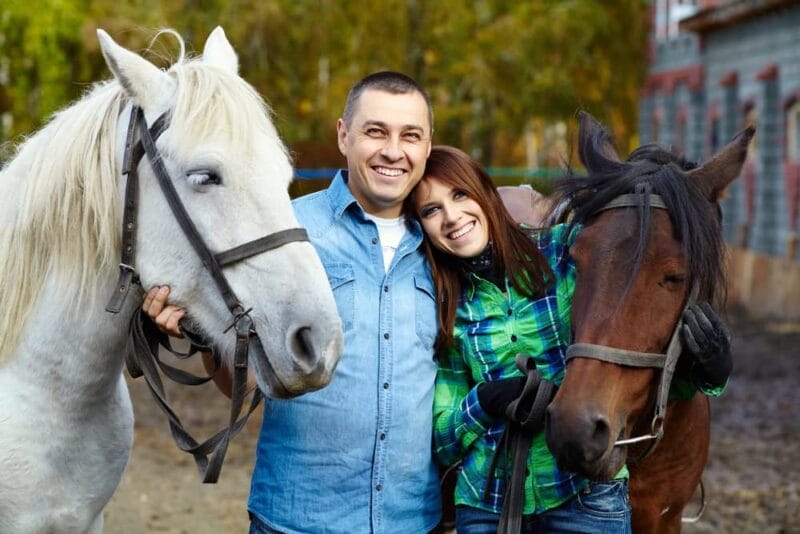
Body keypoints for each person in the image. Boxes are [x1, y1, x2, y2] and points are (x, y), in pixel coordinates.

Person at [144, 71, 442, 533]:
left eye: (411, 136)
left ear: (427, 146)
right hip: (298, 520)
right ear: (343, 136)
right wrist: (203, 337)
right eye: (375, 131)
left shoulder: (443, 248)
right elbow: (243, 388)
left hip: (413, 520)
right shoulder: (287, 235)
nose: (392, 151)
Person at [403, 145, 732, 533]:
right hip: (486, 501)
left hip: (577, 496)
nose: (452, 217)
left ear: (486, 194)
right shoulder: (446, 303)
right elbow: (443, 438)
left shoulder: (566, 254)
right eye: (431, 210)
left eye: (460, 195)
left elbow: (629, 342)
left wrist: (710, 372)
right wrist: (485, 401)